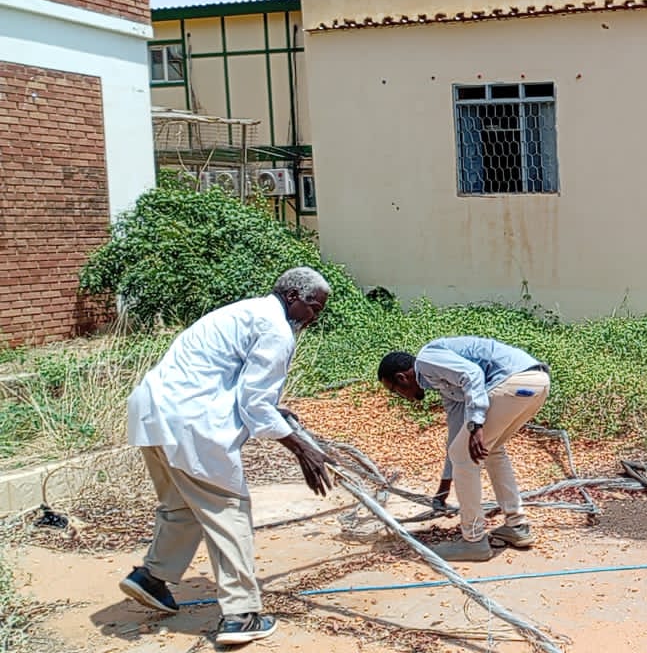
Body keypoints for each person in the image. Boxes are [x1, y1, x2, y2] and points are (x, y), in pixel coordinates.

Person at [119, 268, 334, 646]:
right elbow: (255, 404)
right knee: (228, 510)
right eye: (313, 308)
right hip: (190, 422)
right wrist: (303, 450)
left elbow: (234, 385)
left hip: (152, 413)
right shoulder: (276, 330)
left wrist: (277, 415)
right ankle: (240, 615)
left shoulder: (247, 312)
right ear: (292, 297)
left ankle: (151, 578)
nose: (313, 318)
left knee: (181, 504)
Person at [378, 337, 551, 562]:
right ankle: (517, 526)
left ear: (402, 378)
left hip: (512, 381)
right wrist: (445, 484)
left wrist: (476, 424)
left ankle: (474, 540)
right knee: (491, 450)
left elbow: (473, 374)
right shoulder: (444, 383)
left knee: (465, 455)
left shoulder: (426, 360)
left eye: (395, 391)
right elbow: (456, 433)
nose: (401, 397)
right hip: (537, 383)